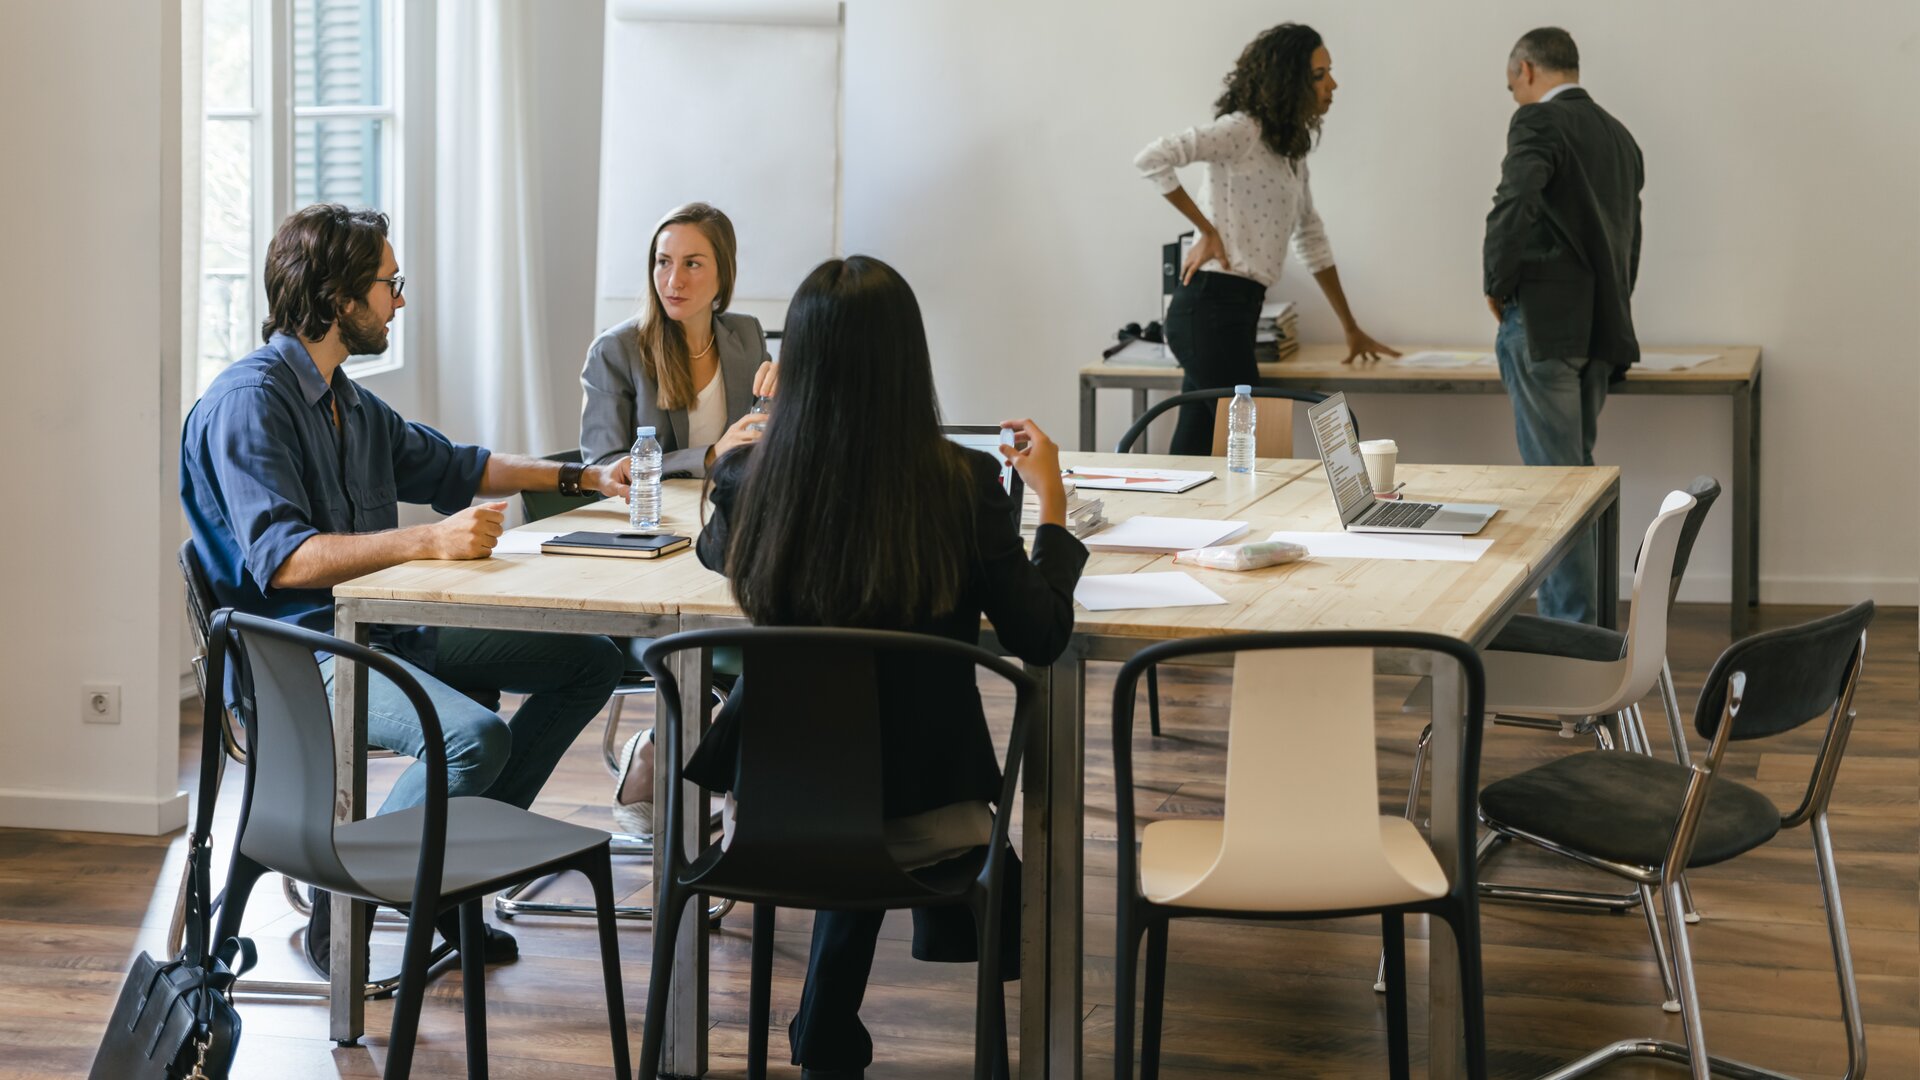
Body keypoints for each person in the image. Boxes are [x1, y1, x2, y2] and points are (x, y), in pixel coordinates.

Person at [180, 203, 629, 974]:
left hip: (377, 628)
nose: (401, 299)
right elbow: (284, 562)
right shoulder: (250, 404)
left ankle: (444, 882)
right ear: (338, 300)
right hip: (297, 657)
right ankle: (353, 896)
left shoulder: (347, 400)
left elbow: (457, 464)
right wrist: (430, 539)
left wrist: (583, 477)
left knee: (589, 662)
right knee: (473, 737)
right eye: (391, 283)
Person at [678, 255, 1086, 1078]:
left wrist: (731, 454)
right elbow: (1039, 634)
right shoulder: (965, 483)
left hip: (774, 807)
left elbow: (716, 553)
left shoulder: (754, 478)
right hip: (925, 810)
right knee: (881, 769)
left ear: (799, 362)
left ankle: (823, 1031)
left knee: (845, 766)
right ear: (911, 359)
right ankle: (829, 1027)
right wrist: (1050, 507)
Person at [579, 201, 777, 837]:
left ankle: (683, 755)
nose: (674, 280)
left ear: (723, 276)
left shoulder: (745, 336)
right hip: (653, 552)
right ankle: (702, 762)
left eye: (693, 264)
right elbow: (608, 465)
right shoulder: (618, 349)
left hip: (733, 539)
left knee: (784, 626)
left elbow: (766, 442)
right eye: (664, 263)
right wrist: (713, 456)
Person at [1135, 21, 1398, 455]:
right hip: (1209, 309)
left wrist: (1351, 328)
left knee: (1200, 451)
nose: (1332, 83)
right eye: (1319, 74)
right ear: (1288, 80)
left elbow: (1311, 237)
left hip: (1235, 316)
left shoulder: (1289, 153)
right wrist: (1207, 229)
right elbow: (1152, 158)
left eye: (1329, 71)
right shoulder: (1242, 131)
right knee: (1253, 449)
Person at [1483, 27, 1644, 624]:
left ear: (1526, 69)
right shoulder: (1619, 136)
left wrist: (1496, 283)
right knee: (1578, 486)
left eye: (1512, 87)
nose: (1515, 100)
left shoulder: (1537, 123)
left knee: (1556, 491)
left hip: (1546, 327)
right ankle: (1589, 629)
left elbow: (1512, 203)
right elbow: (1631, 242)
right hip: (1599, 332)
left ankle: (1571, 640)